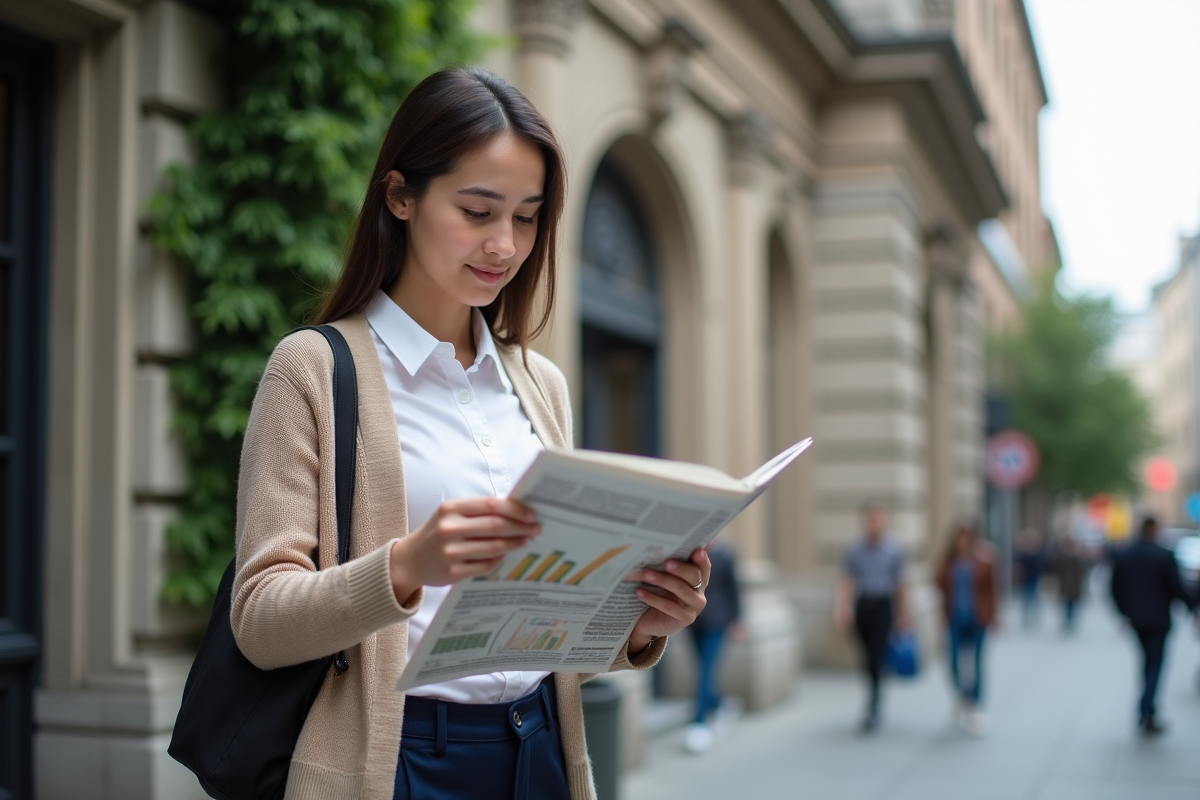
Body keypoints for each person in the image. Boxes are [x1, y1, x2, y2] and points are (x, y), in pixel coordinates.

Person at [230, 67, 711, 800]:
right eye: (478, 211)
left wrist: (638, 623)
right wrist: (406, 565)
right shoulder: (313, 371)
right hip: (397, 760)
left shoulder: (539, 384)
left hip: (542, 746)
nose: (505, 245)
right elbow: (260, 620)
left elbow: (542, 623)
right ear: (400, 196)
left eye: (526, 216)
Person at [1110, 516, 1197, 736]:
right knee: (1155, 663)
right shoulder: (1164, 555)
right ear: (1154, 530)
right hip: (1159, 620)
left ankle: (1147, 708)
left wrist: (1124, 612)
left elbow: (1114, 588)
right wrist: (1192, 608)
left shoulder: (1125, 554)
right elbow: (1176, 588)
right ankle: (1146, 711)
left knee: (1147, 661)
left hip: (1136, 620)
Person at [835, 502, 908, 732]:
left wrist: (904, 613)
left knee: (877, 654)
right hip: (863, 605)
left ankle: (874, 703)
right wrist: (843, 607)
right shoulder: (855, 549)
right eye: (871, 519)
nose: (874, 523)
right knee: (866, 656)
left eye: (878, 519)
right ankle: (873, 691)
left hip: (883, 606)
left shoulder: (894, 549)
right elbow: (848, 580)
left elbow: (900, 584)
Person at [935, 521, 999, 737]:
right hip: (954, 618)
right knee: (952, 662)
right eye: (959, 537)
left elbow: (993, 591)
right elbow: (937, 583)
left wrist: (995, 617)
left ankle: (976, 706)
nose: (963, 542)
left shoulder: (984, 559)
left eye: (966, 537)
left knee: (977, 663)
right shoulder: (949, 561)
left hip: (977, 618)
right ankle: (964, 697)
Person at [683, 541, 743, 753]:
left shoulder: (725, 555)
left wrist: (738, 621)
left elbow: (735, 590)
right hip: (694, 623)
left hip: (718, 622)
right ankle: (720, 705)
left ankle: (699, 722)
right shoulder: (690, 554)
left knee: (706, 671)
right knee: (703, 669)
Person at [1051, 536, 1088, 634]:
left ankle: (1069, 621)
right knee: (1069, 604)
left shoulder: (1064, 556)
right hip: (1070, 584)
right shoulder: (1072, 556)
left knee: (1068, 604)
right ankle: (1070, 621)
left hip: (1068, 584)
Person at [1013, 528, 1045, 628]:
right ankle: (1026, 616)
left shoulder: (1037, 552)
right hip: (1025, 578)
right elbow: (1018, 565)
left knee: (1033, 596)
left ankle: (1033, 615)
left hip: (1034, 577)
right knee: (1026, 596)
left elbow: (1041, 566)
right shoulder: (1021, 552)